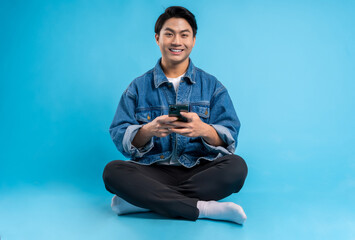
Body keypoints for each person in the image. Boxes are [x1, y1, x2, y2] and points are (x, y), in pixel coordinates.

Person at [102, 6, 248, 225]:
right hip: (153, 170)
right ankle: (203, 208)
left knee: (237, 167)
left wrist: (205, 130)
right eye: (169, 33)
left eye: (184, 34)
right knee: (112, 172)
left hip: (199, 171)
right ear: (157, 38)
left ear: (194, 40)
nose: (176, 41)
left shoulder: (212, 86)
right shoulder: (138, 87)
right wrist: (147, 131)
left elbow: (230, 136)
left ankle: (142, 200)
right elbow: (120, 133)